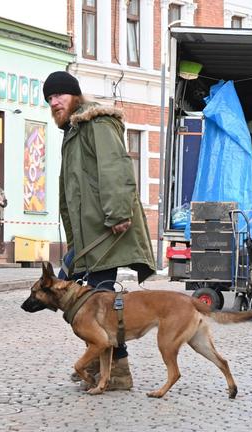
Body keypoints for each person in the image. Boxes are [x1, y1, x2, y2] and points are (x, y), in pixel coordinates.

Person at [43, 71, 156, 390]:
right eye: (50, 99)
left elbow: (115, 166)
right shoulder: (73, 131)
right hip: (89, 235)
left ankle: (114, 370)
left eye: (60, 95)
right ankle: (109, 367)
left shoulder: (97, 122)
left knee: (98, 302)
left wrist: (119, 212)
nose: (54, 102)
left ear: (75, 95)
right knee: (94, 302)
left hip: (108, 228)